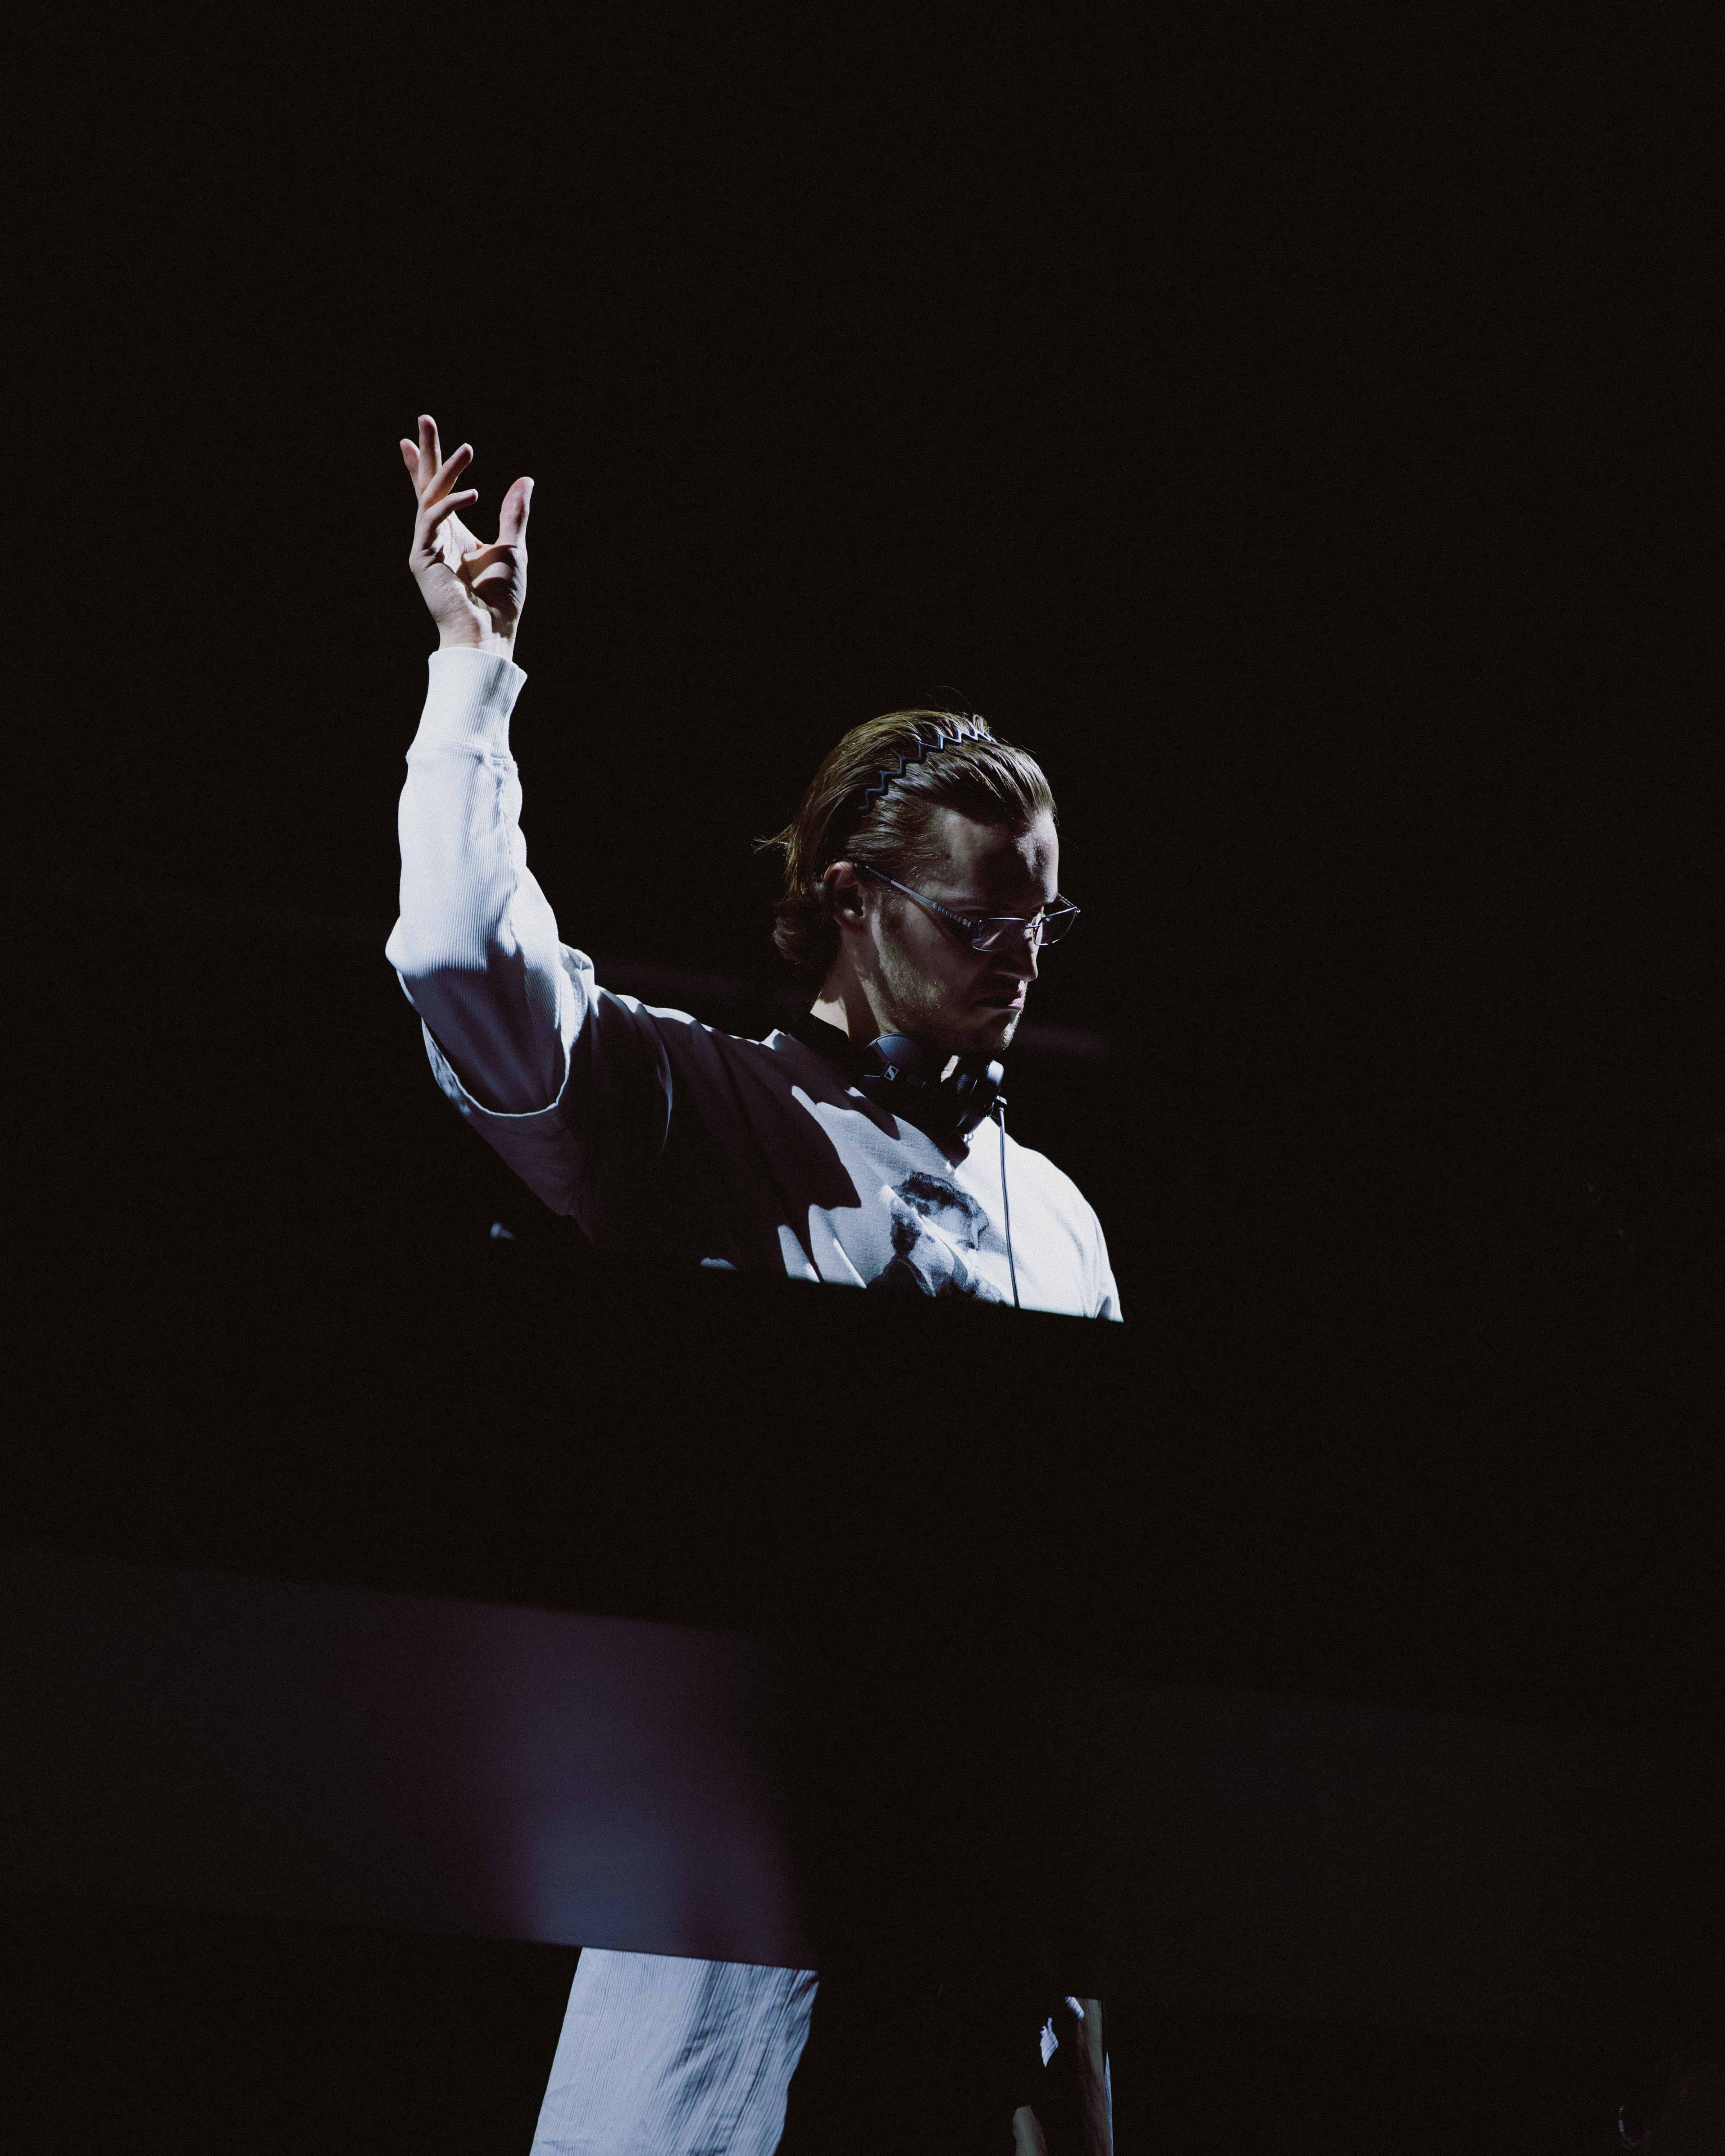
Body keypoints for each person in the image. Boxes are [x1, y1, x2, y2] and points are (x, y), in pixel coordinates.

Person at [386, 417, 1119, 2153]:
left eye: (1044, 928)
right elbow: (456, 954)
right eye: (979, 926)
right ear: (853, 902)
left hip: (994, 1970)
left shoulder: (1061, 1213)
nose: (1018, 967)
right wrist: (473, 669)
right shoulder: (697, 1110)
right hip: (747, 1945)